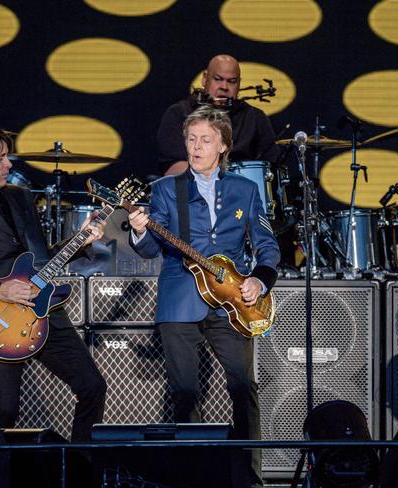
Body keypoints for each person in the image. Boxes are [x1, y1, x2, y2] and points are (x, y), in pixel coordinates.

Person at [129, 105, 281, 487]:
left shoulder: (246, 190)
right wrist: (139, 231)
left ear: (223, 146)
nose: (196, 148)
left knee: (244, 388)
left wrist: (259, 281)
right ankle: (193, 478)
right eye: (191, 140)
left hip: (233, 302)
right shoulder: (165, 190)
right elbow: (150, 250)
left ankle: (249, 478)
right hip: (181, 297)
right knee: (184, 392)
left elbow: (267, 246)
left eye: (205, 140)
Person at [0, 121, 107, 442]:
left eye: (7, 157)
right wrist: (0, 290)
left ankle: (80, 469)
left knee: (92, 386)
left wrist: (82, 240)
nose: (8, 164)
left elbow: (40, 258)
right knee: (5, 410)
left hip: (45, 311)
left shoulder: (21, 196)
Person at [157, 54, 279, 176]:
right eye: (218, 79)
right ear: (205, 79)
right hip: (193, 191)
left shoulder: (255, 118)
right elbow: (173, 168)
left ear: (239, 84)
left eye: (232, 82)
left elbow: (272, 167)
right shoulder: (179, 114)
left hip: (244, 191)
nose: (224, 87)